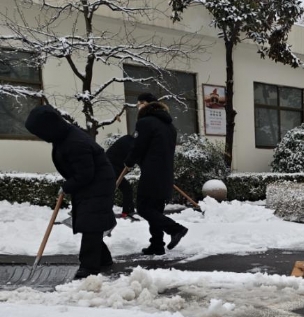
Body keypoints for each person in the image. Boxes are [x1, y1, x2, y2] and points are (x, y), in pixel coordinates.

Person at [24, 104, 116, 279]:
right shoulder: (63, 136)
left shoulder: (75, 142)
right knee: (91, 222)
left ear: (48, 128)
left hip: (98, 184)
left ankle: (89, 267)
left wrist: (67, 186)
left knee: (91, 224)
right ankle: (103, 259)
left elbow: (85, 174)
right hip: (93, 183)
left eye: (39, 132)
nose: (39, 136)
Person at [125, 93, 188, 255]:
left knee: (144, 208)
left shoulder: (145, 122)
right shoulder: (169, 126)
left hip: (151, 173)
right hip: (166, 173)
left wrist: (129, 162)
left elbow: (138, 146)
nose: (139, 106)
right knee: (155, 210)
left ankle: (175, 229)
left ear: (149, 104)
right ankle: (157, 244)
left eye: (141, 102)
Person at [105, 134, 136, 217]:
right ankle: (127, 211)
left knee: (126, 189)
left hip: (109, 166)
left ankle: (128, 211)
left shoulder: (128, 139)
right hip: (110, 168)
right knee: (124, 189)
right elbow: (132, 159)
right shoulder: (132, 144)